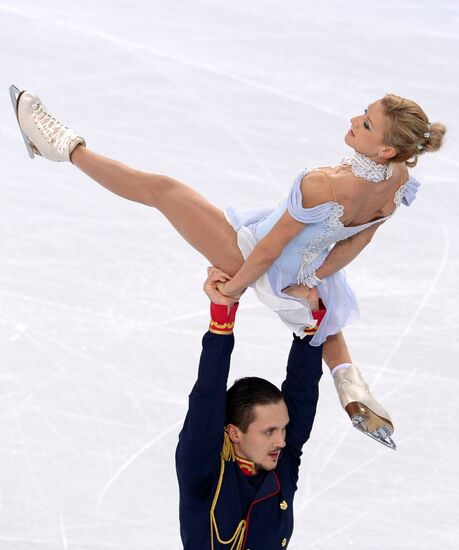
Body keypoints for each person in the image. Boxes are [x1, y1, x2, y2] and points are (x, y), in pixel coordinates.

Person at [8, 85, 446, 448]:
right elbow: (359, 240)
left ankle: (60, 145)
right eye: (362, 112)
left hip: (257, 256)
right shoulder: (397, 182)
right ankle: (351, 385)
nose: (354, 120)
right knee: (321, 313)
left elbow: (269, 249)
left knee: (162, 190)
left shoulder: (323, 185)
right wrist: (314, 278)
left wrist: (234, 287)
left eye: (366, 124)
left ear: (387, 147)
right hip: (310, 266)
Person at [176, 266, 341, 549]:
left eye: (282, 429)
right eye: (268, 432)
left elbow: (301, 394)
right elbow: (207, 397)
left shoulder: (280, 467)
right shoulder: (204, 472)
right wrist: (222, 319)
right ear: (233, 433)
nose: (282, 440)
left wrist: (307, 321)